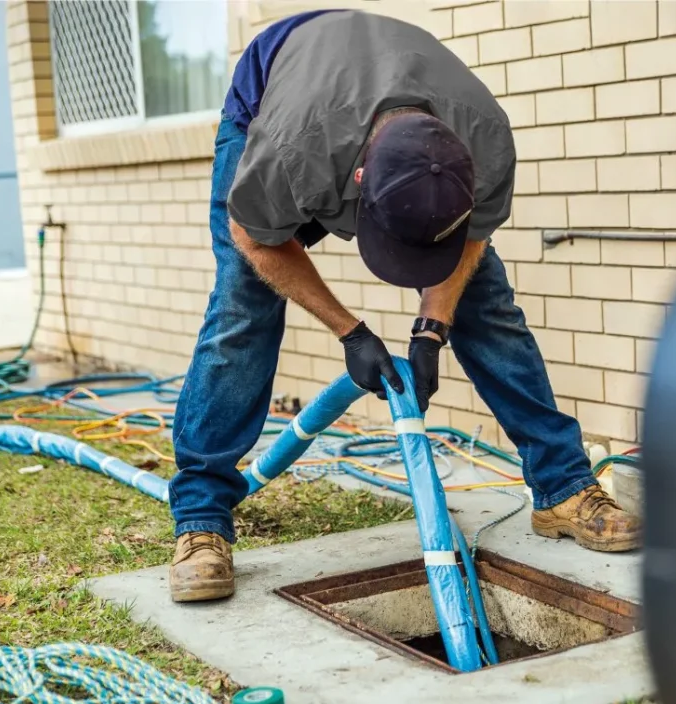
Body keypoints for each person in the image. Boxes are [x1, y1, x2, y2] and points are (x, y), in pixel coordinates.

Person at [167, 8, 641, 603]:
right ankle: (202, 519)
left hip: (387, 92)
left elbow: (472, 241)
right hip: (276, 91)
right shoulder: (290, 148)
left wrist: (431, 331)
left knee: (486, 302)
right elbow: (255, 240)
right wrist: (350, 332)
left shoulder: (484, 139)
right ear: (360, 179)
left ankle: (564, 486)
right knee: (244, 306)